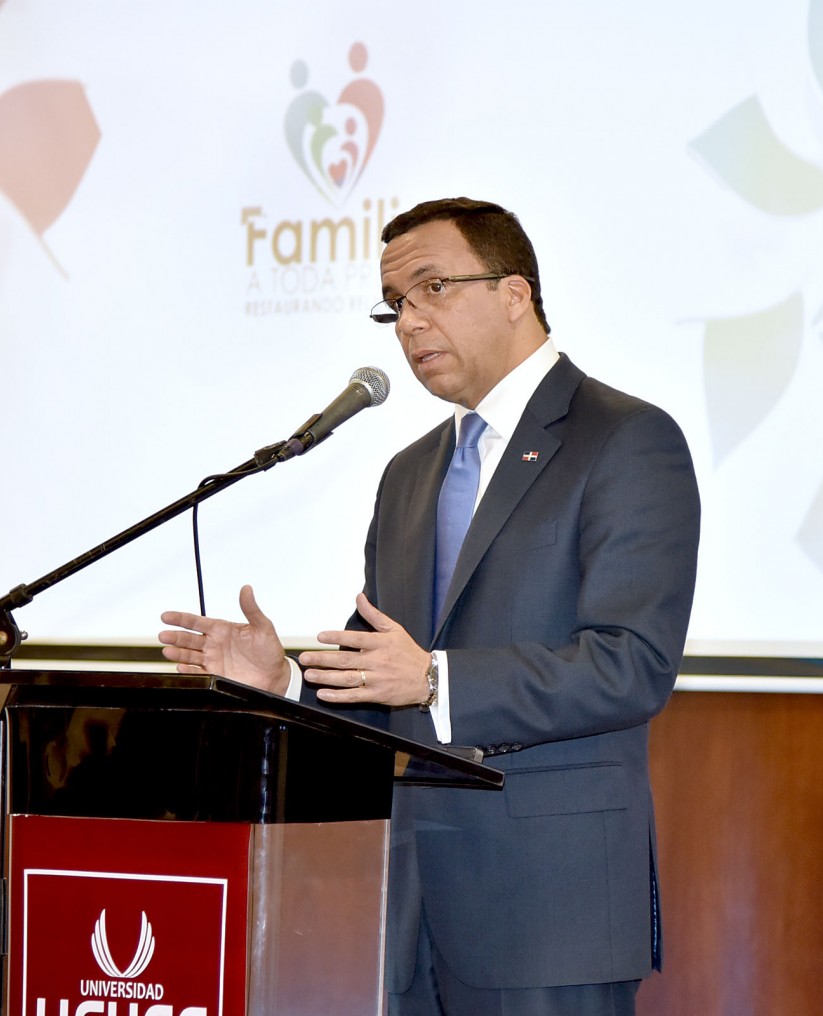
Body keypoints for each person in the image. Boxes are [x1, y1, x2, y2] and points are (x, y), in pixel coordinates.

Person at [159, 197, 701, 1016]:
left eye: (432, 289)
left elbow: (632, 665)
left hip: (553, 904)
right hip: (411, 905)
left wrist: (437, 681)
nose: (409, 323)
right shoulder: (411, 473)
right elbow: (380, 675)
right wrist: (285, 683)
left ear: (515, 293)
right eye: (396, 306)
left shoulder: (624, 438)